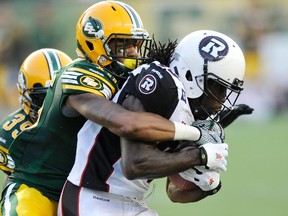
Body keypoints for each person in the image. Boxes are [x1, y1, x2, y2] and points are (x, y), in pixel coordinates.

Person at [0, 2, 215, 216]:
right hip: (39, 190)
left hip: (83, 196)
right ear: (95, 44)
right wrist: (195, 133)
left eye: (135, 44)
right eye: (123, 44)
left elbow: (172, 187)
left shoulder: (124, 81)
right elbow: (125, 123)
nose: (133, 52)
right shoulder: (79, 73)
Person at [58, 30, 247, 215]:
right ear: (191, 75)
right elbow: (135, 165)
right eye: (219, 88)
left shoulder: (192, 110)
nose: (221, 100)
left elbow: (174, 193)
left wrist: (209, 184)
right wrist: (200, 156)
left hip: (130, 202)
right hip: (92, 199)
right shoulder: (163, 83)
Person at [0, 48, 72, 180]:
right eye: (42, 98)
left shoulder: (86, 120)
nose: (51, 106)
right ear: (24, 93)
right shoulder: (11, 132)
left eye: (59, 96)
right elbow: (15, 181)